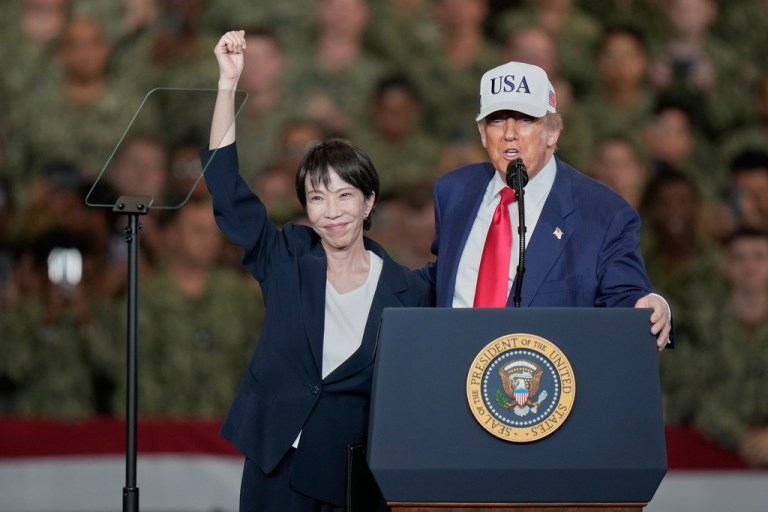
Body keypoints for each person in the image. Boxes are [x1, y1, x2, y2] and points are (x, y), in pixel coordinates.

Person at [201, 31, 432, 511]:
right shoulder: (286, 257)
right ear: (305, 206)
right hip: (277, 464)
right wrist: (227, 85)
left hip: (353, 476)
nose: (332, 211)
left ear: (369, 202)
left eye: (345, 195)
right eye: (317, 198)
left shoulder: (407, 289)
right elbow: (225, 189)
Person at [418, 60, 673, 350]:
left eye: (525, 119)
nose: (509, 133)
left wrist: (651, 305)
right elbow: (440, 279)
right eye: (497, 120)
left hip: (545, 387)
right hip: (452, 374)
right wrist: (365, 272)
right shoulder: (454, 190)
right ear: (481, 132)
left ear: (552, 132)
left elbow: (625, 299)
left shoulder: (605, 213)